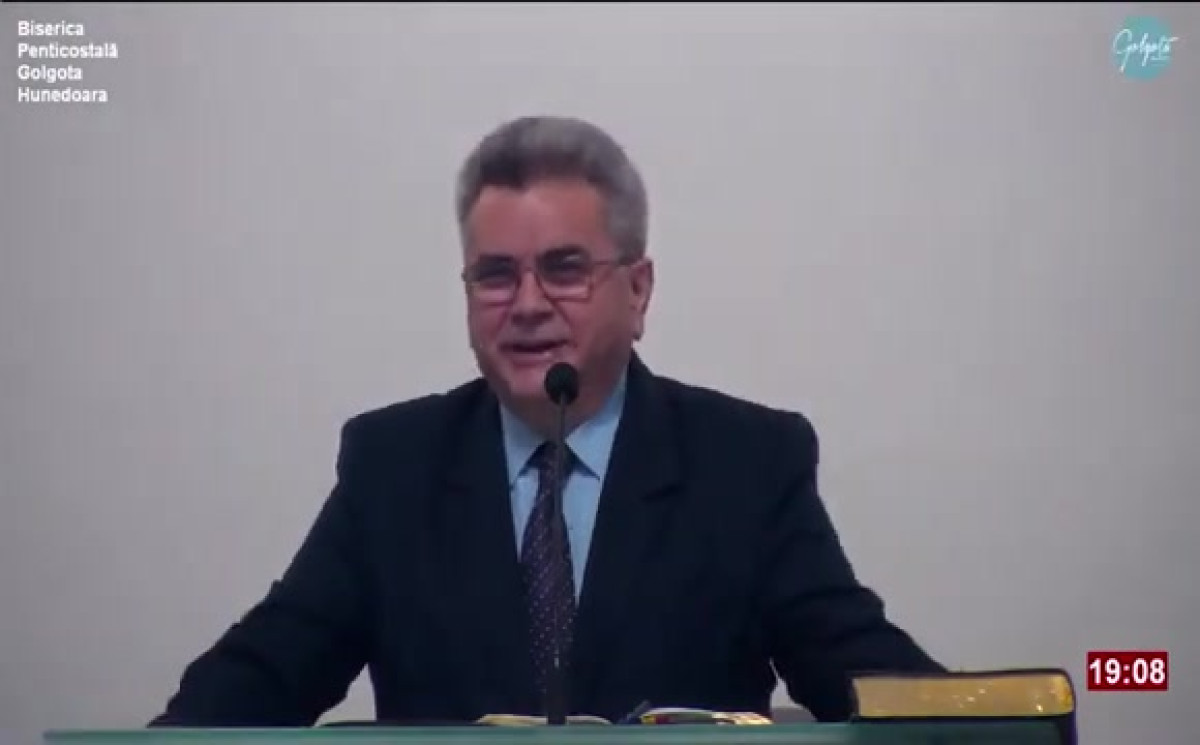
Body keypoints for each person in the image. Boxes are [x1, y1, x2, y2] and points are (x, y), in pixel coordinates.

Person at [150, 115, 943, 728]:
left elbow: (862, 673)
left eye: (565, 269)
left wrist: (986, 722)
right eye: (496, 275)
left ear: (638, 290)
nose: (528, 304)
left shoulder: (746, 464)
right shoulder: (394, 466)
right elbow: (265, 671)